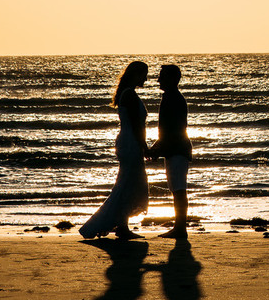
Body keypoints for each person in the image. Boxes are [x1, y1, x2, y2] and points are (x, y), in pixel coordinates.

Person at [79, 61, 151, 239]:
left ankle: (122, 225)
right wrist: (144, 146)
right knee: (127, 184)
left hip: (127, 142)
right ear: (136, 75)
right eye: (144, 74)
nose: (146, 79)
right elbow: (136, 126)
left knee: (128, 184)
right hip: (131, 143)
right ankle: (117, 226)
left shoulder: (127, 93)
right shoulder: (130, 95)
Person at [148, 64, 192, 239]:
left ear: (173, 79)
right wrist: (157, 148)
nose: (158, 80)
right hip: (174, 149)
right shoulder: (172, 97)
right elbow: (167, 131)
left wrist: (157, 149)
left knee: (179, 189)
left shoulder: (173, 98)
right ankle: (179, 226)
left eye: (162, 76)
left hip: (177, 150)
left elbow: (173, 131)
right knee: (177, 189)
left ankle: (180, 227)